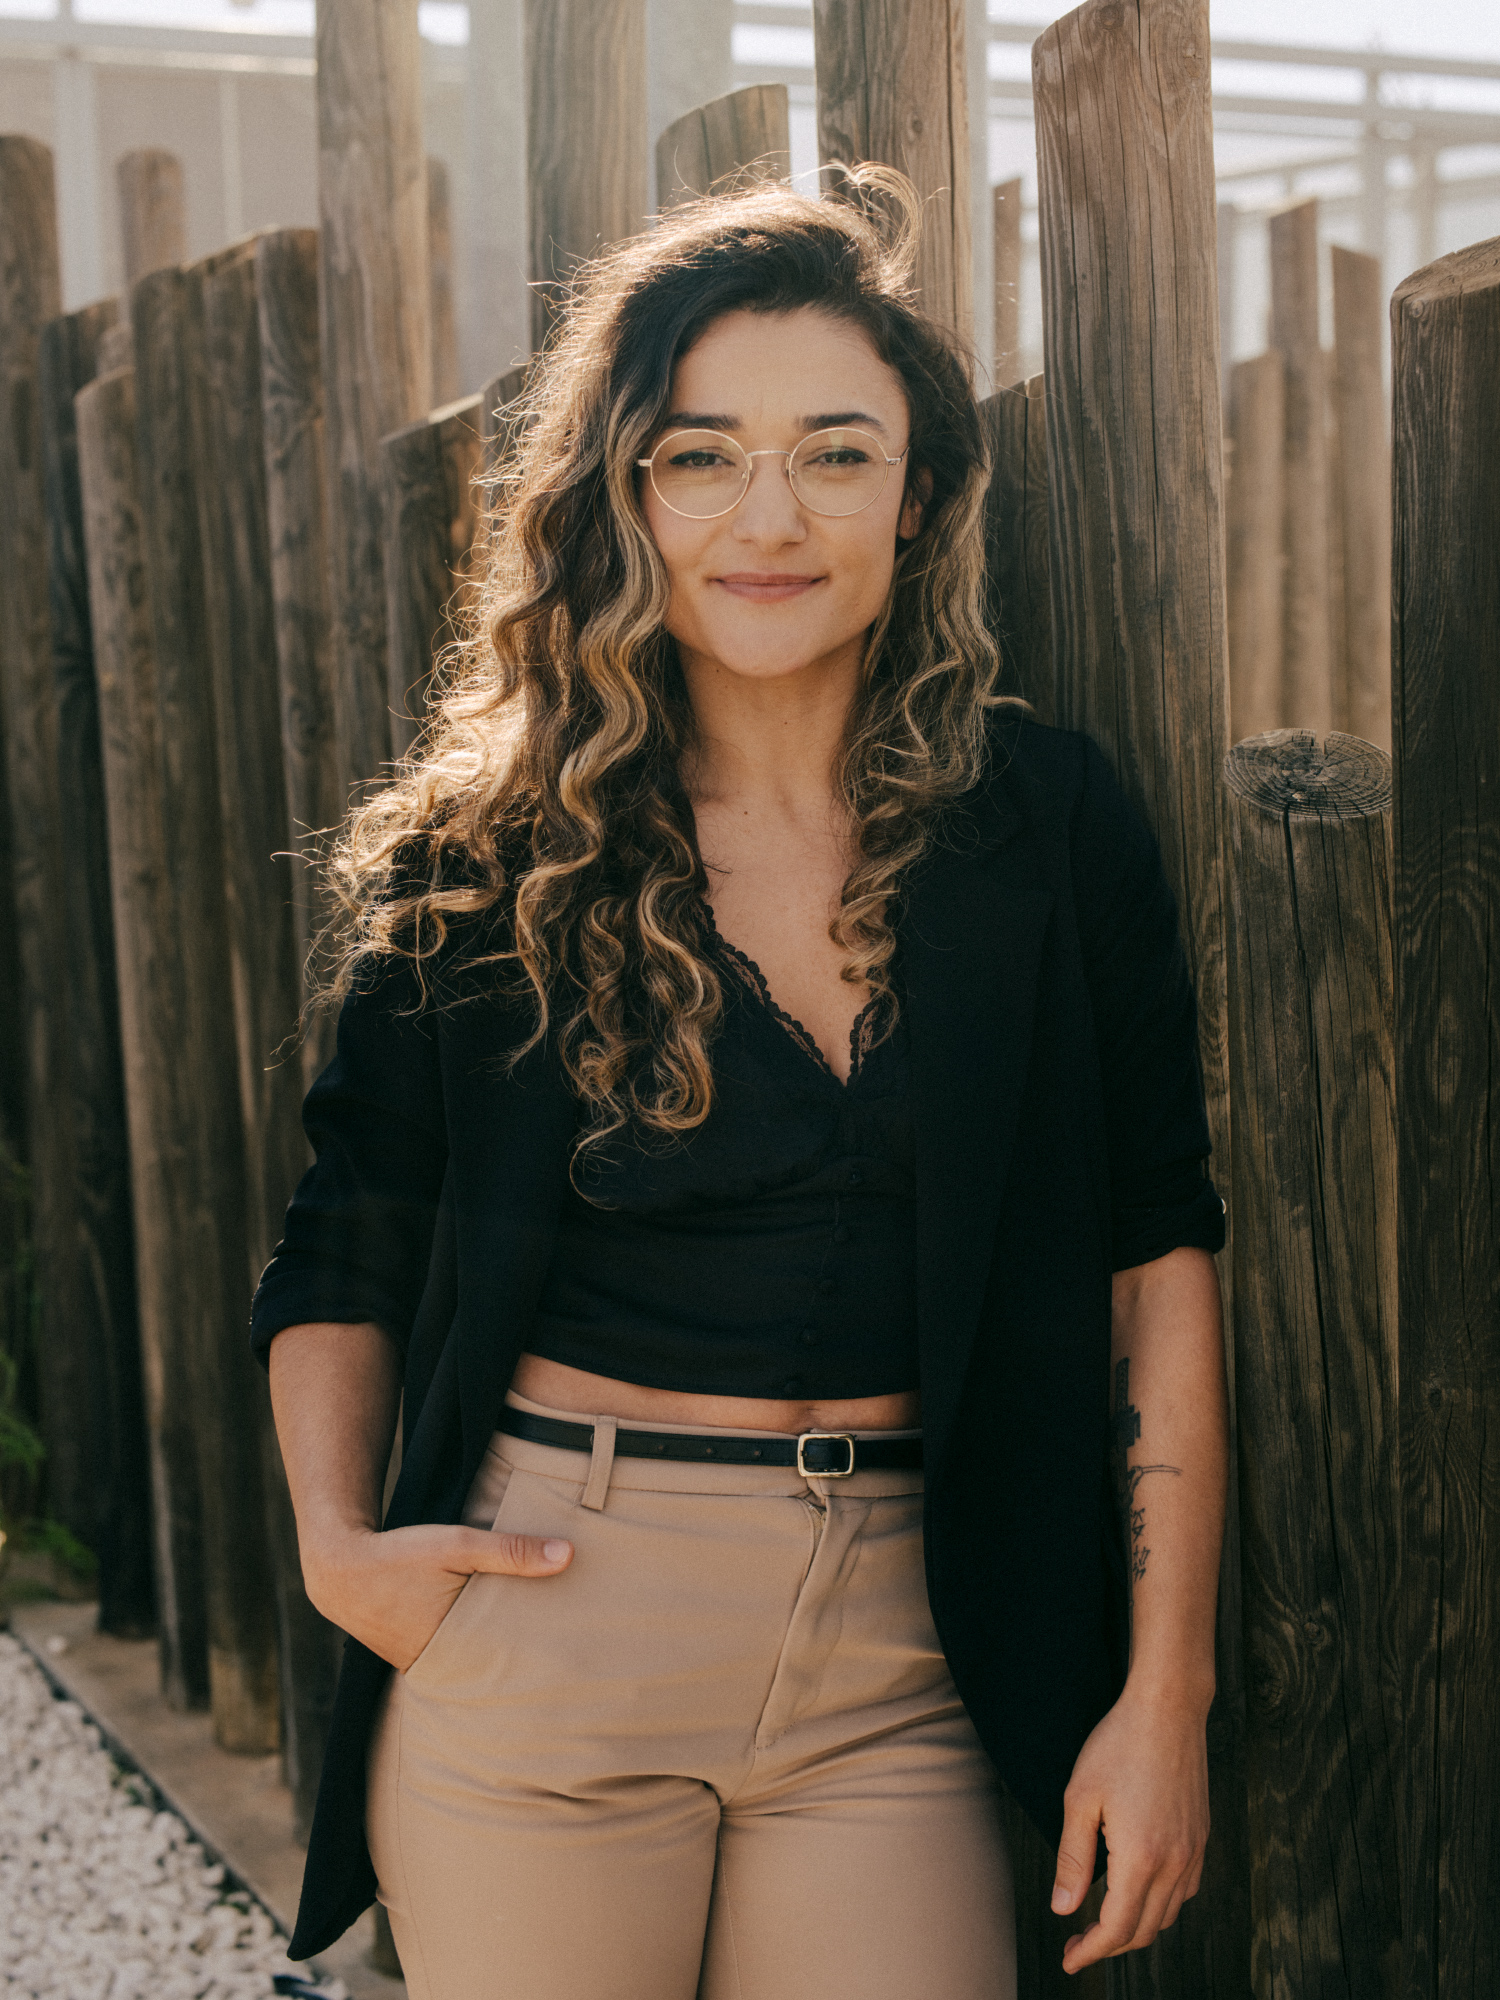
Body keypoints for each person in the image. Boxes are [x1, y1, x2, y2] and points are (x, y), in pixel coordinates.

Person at [252, 168, 1228, 2000]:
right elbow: (344, 1238)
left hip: (905, 1646)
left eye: (836, 455)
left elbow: (1156, 1255)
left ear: (919, 492)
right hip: (552, 1612)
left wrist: (1160, 1696)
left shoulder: (1047, 825)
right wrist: (339, 1553)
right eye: (700, 458)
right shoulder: (493, 853)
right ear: (622, 495)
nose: (767, 518)